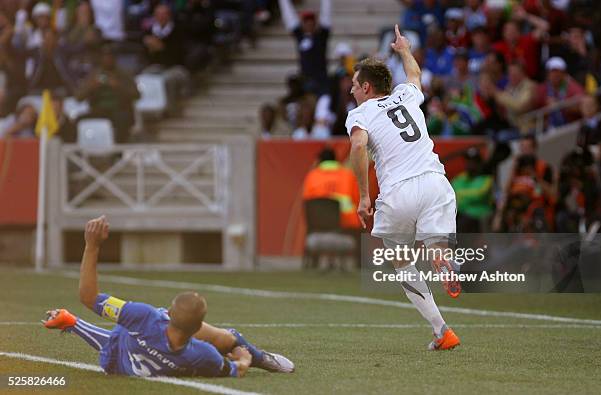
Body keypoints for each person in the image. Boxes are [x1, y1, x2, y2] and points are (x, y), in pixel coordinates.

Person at [43, 215, 295, 377]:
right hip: (125, 357)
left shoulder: (144, 317)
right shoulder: (202, 354)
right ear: (197, 329)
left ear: (168, 313)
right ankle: (262, 358)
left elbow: (90, 297)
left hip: (116, 362)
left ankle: (71, 322)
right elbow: (235, 370)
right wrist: (244, 359)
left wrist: (92, 245)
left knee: (121, 338)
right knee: (228, 338)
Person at [346, 25, 460, 350]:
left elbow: (357, 148)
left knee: (401, 262)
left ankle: (442, 330)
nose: (352, 91)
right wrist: (405, 50)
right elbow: (414, 75)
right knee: (437, 245)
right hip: (435, 182)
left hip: (397, 193)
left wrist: (365, 196)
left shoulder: (361, 112)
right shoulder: (406, 96)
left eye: (354, 85)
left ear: (366, 87)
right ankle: (442, 259)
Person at [76, 46, 140, 143]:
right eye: (105, 57)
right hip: (99, 111)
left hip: (119, 110)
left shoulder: (124, 74)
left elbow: (137, 95)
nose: (107, 59)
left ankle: (119, 153)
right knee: (79, 120)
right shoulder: (94, 75)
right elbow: (78, 97)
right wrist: (91, 87)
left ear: (114, 59)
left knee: (122, 121)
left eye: (110, 57)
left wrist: (118, 86)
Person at [278, 0, 332, 95]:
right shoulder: (300, 36)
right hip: (305, 80)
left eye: (311, 22)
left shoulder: (321, 35)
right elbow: (289, 17)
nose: (309, 24)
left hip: (322, 80)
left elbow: (326, 14)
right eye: (306, 22)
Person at [302, 148, 360, 230]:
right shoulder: (348, 175)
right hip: (347, 224)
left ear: (319, 161)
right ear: (335, 160)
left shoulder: (312, 176)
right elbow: (358, 201)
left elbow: (308, 204)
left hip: (320, 224)